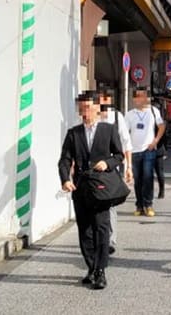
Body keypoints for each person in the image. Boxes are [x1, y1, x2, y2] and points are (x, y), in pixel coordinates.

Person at [58, 93, 125, 290]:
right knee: (85, 231)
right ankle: (91, 267)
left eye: (87, 108)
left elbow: (119, 155)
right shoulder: (74, 133)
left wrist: (108, 163)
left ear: (97, 108)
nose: (84, 113)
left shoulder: (108, 130)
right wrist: (65, 180)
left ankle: (101, 270)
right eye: (81, 109)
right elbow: (64, 160)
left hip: (102, 188)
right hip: (81, 188)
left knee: (101, 229)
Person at [98, 91, 132, 256]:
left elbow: (126, 143)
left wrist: (129, 167)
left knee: (109, 203)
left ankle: (110, 241)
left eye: (104, 98)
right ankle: (98, 239)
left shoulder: (118, 118)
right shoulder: (92, 117)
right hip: (95, 169)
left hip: (113, 167)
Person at [124, 88, 165, 217]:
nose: (141, 99)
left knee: (148, 177)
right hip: (134, 150)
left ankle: (148, 204)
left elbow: (162, 126)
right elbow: (125, 133)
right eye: (138, 97)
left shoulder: (153, 111)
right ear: (134, 99)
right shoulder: (130, 114)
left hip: (149, 150)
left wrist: (155, 141)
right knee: (138, 180)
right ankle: (139, 205)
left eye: (144, 96)